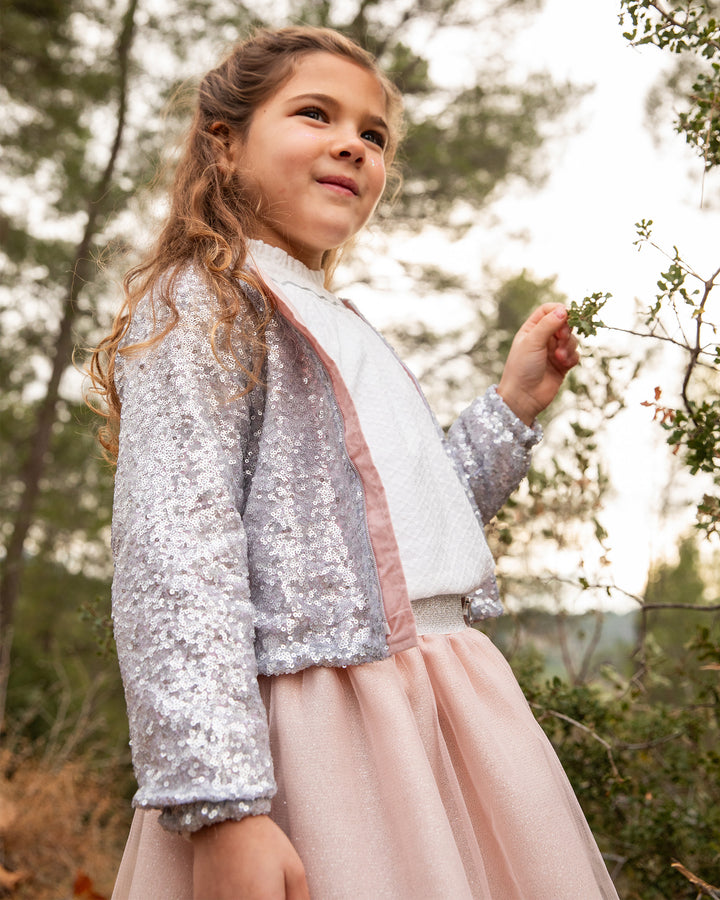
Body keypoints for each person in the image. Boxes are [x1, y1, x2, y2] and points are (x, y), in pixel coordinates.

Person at [89, 25, 620, 900]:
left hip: (443, 706)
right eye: (315, 113)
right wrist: (223, 805)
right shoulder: (208, 301)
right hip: (328, 734)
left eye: (373, 135)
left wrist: (512, 406)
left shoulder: (332, 317)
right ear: (223, 144)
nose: (354, 143)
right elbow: (174, 556)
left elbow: (401, 533)